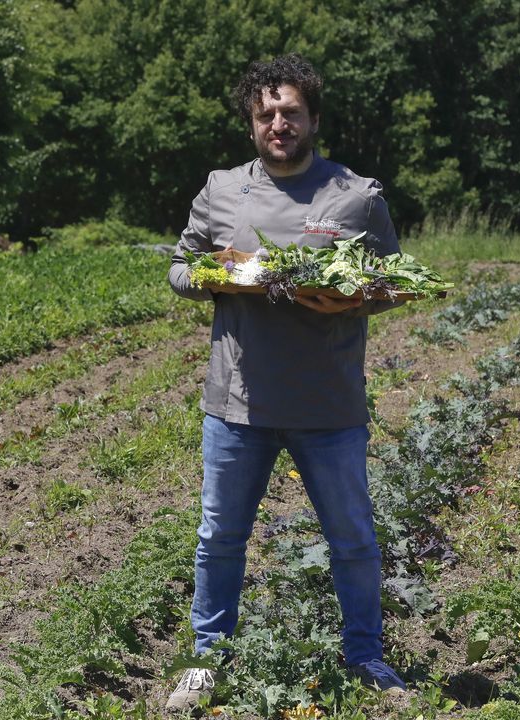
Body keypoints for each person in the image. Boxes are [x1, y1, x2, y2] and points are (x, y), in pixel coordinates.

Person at [165, 53, 407, 712]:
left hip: (328, 405)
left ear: (312, 119)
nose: (279, 122)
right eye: (266, 113)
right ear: (252, 123)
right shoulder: (220, 190)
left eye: (290, 111)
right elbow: (181, 268)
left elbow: (396, 280)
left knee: (353, 540)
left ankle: (365, 658)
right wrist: (217, 276)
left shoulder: (356, 195)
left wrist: (349, 298)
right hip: (236, 404)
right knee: (219, 539)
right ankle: (206, 660)